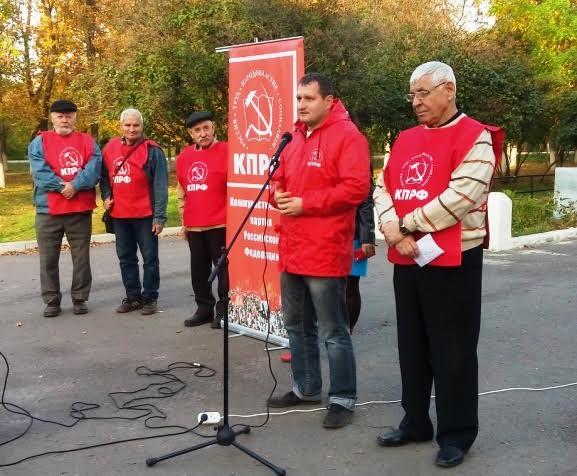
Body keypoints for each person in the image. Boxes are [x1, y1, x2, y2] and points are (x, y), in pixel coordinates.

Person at [374, 61, 503, 468]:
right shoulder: (406, 138)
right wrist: (391, 226)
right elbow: (384, 186)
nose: (416, 102)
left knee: (454, 350)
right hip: (408, 257)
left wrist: (406, 225)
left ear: (449, 89)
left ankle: (457, 433)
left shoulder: (475, 137)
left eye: (424, 93)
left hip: (455, 260)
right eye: (412, 94)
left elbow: (462, 197)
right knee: (412, 345)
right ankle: (415, 421)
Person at [266, 73, 371, 429]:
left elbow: (356, 188)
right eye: (298, 99)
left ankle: (343, 397)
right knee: (296, 327)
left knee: (332, 330)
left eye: (309, 98)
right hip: (291, 247)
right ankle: (306, 386)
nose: (301, 105)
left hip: (325, 249)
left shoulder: (348, 136)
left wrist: (305, 204)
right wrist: (276, 195)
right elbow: (277, 179)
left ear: (329, 100)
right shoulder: (292, 136)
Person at [29, 99, 102, 318]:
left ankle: (80, 299)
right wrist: (63, 187)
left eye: (69, 116)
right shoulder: (39, 142)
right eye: (60, 116)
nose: (64, 119)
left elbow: (94, 168)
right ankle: (51, 301)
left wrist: (76, 185)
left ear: (75, 118)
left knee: (81, 258)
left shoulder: (87, 141)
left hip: (79, 211)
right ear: (52, 118)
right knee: (48, 259)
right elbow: (40, 172)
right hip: (47, 211)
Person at [100, 108, 168, 315]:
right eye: (127, 125)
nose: (132, 129)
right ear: (120, 126)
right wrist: (105, 196)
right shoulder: (109, 148)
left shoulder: (152, 150)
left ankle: (149, 298)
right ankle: (133, 297)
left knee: (150, 259)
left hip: (145, 215)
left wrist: (159, 216)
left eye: (136, 125)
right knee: (126, 258)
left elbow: (160, 185)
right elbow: (104, 177)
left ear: (141, 126)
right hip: (120, 216)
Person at [176, 111, 228, 329]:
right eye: (197, 130)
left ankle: (224, 311)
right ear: (191, 133)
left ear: (213, 127)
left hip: (220, 223)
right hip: (195, 224)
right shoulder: (184, 157)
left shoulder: (227, 151)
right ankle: (204, 308)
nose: (202, 133)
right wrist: (184, 221)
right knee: (199, 271)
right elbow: (182, 191)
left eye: (206, 128)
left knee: (224, 270)